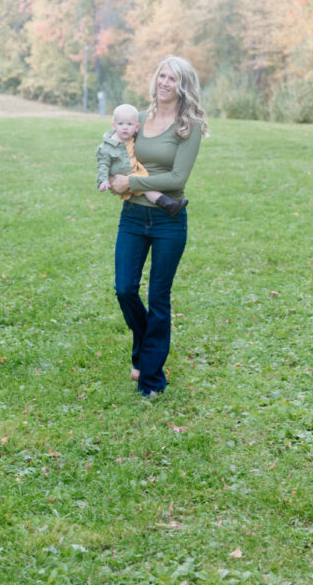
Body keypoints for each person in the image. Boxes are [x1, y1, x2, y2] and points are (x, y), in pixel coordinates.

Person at [108, 57, 209, 398]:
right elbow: (116, 151)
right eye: (162, 75)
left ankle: (151, 379)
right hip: (133, 217)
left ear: (183, 86)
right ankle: (145, 348)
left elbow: (177, 178)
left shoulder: (188, 126)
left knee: (159, 298)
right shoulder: (139, 117)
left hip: (169, 220)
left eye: (173, 78)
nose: (165, 82)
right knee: (124, 289)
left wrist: (130, 181)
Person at [96, 102, 188, 217]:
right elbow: (103, 164)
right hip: (124, 176)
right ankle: (168, 204)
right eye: (120, 124)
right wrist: (103, 180)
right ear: (113, 126)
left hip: (135, 172)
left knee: (145, 185)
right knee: (146, 186)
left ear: (136, 127)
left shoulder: (131, 139)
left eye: (129, 124)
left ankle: (168, 203)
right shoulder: (107, 146)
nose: (125, 127)